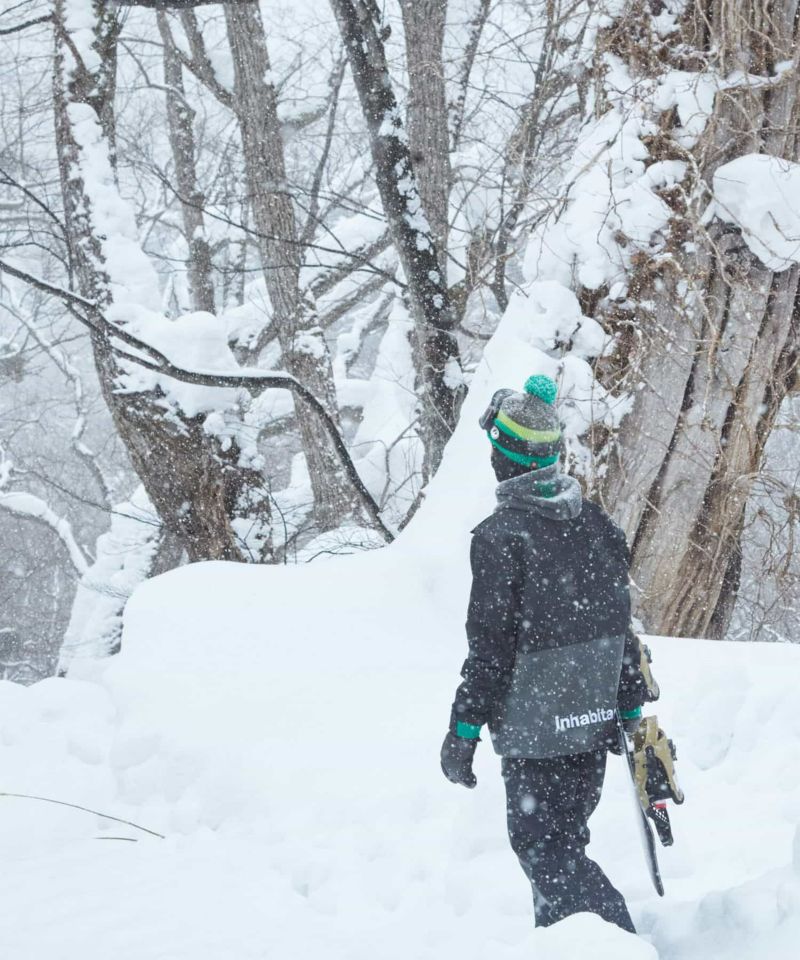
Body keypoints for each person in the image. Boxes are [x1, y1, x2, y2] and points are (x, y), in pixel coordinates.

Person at [440, 373, 661, 934]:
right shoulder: (597, 527)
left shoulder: (500, 537)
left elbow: (489, 648)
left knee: (549, 856)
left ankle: (616, 944)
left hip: (536, 731)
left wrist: (463, 730)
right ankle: (561, 945)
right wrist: (630, 711)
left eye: (495, 452)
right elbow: (621, 631)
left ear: (507, 461)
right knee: (562, 849)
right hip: (589, 727)